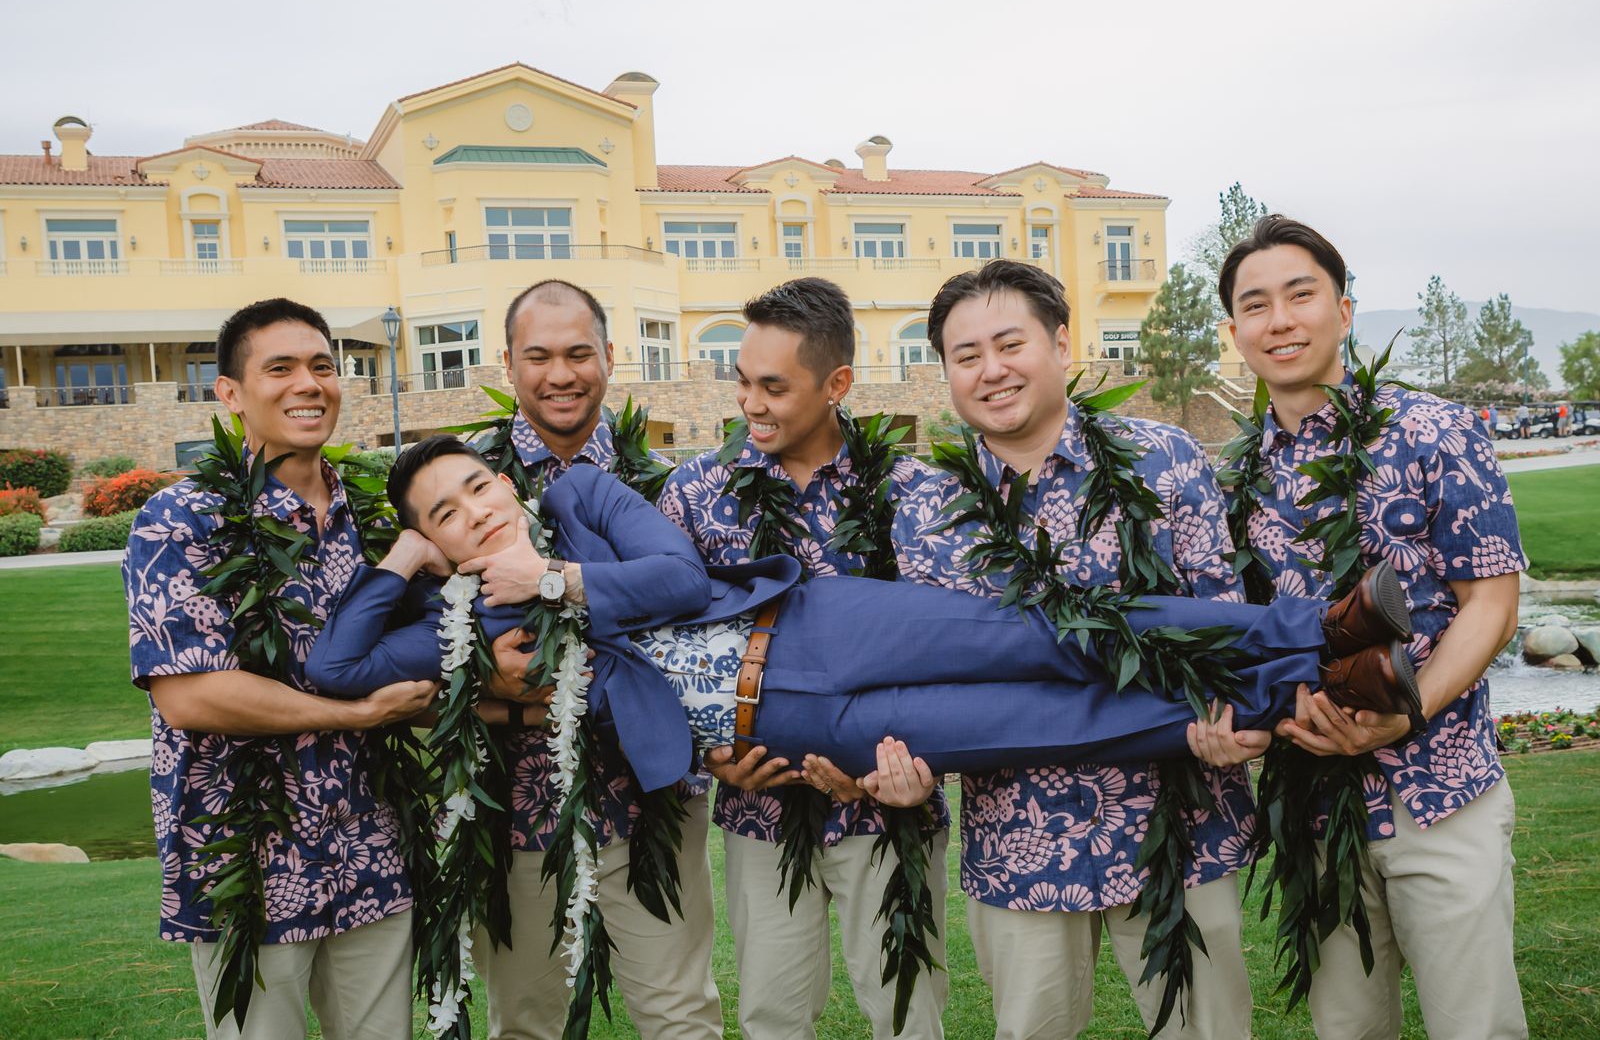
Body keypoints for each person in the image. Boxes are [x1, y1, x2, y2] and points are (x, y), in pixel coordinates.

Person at [305, 437, 1418, 780]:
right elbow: (337, 671)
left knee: (1048, 633)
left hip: (817, 625)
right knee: (1036, 725)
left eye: (477, 487)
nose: (476, 511)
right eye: (446, 513)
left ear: (505, 482)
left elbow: (679, 582)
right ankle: (1305, 694)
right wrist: (403, 557)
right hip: (789, 725)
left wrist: (554, 581)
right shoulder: (459, 621)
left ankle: (1311, 630)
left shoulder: (580, 498)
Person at [888, 259, 1261, 1039]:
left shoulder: (1163, 460)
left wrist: (1234, 718)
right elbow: (927, 673)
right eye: (966, 355)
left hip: (1177, 819)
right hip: (1018, 832)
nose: (991, 370)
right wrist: (907, 763)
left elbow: (1223, 619)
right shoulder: (927, 507)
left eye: (1009, 344)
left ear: (1061, 343)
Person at [1219, 214, 1527, 1039]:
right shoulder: (1237, 476)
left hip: (1440, 791)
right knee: (1348, 1028)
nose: (1280, 320)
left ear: (1344, 310)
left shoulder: (1433, 430)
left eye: (1301, 295)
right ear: (1235, 332)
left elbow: (1492, 604)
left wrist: (1408, 708)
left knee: (1476, 1023)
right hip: (1314, 808)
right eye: (1256, 304)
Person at [122, 298, 436, 1040]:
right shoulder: (181, 519)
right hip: (244, 857)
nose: (309, 384)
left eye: (323, 366)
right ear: (230, 393)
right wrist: (358, 714)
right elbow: (189, 694)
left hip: (368, 842)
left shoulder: (376, 520)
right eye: (281, 368)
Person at [657, 277, 954, 1040]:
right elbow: (663, 646)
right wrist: (712, 753)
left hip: (889, 807)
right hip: (758, 812)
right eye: (742, 381)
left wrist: (898, 768)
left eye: (773, 386)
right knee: (772, 1014)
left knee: (907, 1015)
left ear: (837, 383)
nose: (749, 403)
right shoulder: (695, 493)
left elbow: (945, 650)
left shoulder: (911, 492)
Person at [470, 279, 723, 1040]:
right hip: (515, 804)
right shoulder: (461, 483)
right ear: (507, 362)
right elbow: (419, 641)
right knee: (524, 1022)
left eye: (579, 353)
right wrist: (486, 678)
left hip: (653, 796)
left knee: (680, 1013)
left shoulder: (669, 485)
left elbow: (699, 621)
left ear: (610, 355)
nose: (561, 374)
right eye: (538, 356)